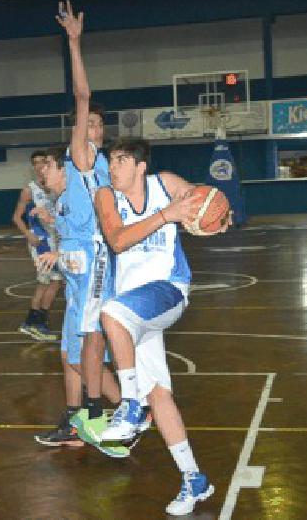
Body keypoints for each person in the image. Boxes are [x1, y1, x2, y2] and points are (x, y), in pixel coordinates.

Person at [93, 137, 230, 515]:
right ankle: (194, 479)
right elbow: (118, 240)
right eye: (109, 161)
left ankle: (129, 404)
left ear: (140, 166)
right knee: (160, 394)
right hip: (136, 310)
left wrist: (216, 213)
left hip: (168, 289)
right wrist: (166, 216)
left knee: (112, 314)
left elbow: (199, 198)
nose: (112, 168)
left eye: (119, 161)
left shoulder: (164, 183)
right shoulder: (106, 196)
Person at [34, 0, 125, 453]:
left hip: (91, 266)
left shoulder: (87, 159)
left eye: (92, 125)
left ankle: (122, 413)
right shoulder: (77, 179)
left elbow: (82, 95)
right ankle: (86, 420)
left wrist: (73, 42)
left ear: (95, 134)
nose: (86, 126)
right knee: (71, 353)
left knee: (87, 352)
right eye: (83, 125)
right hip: (76, 270)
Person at [11, 150, 62, 342]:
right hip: (41, 242)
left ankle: (36, 322)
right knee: (44, 283)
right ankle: (34, 323)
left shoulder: (58, 185)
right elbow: (16, 217)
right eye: (36, 163)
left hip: (56, 240)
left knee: (55, 282)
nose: (40, 166)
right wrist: (28, 234)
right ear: (33, 167)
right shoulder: (30, 190)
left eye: (43, 162)